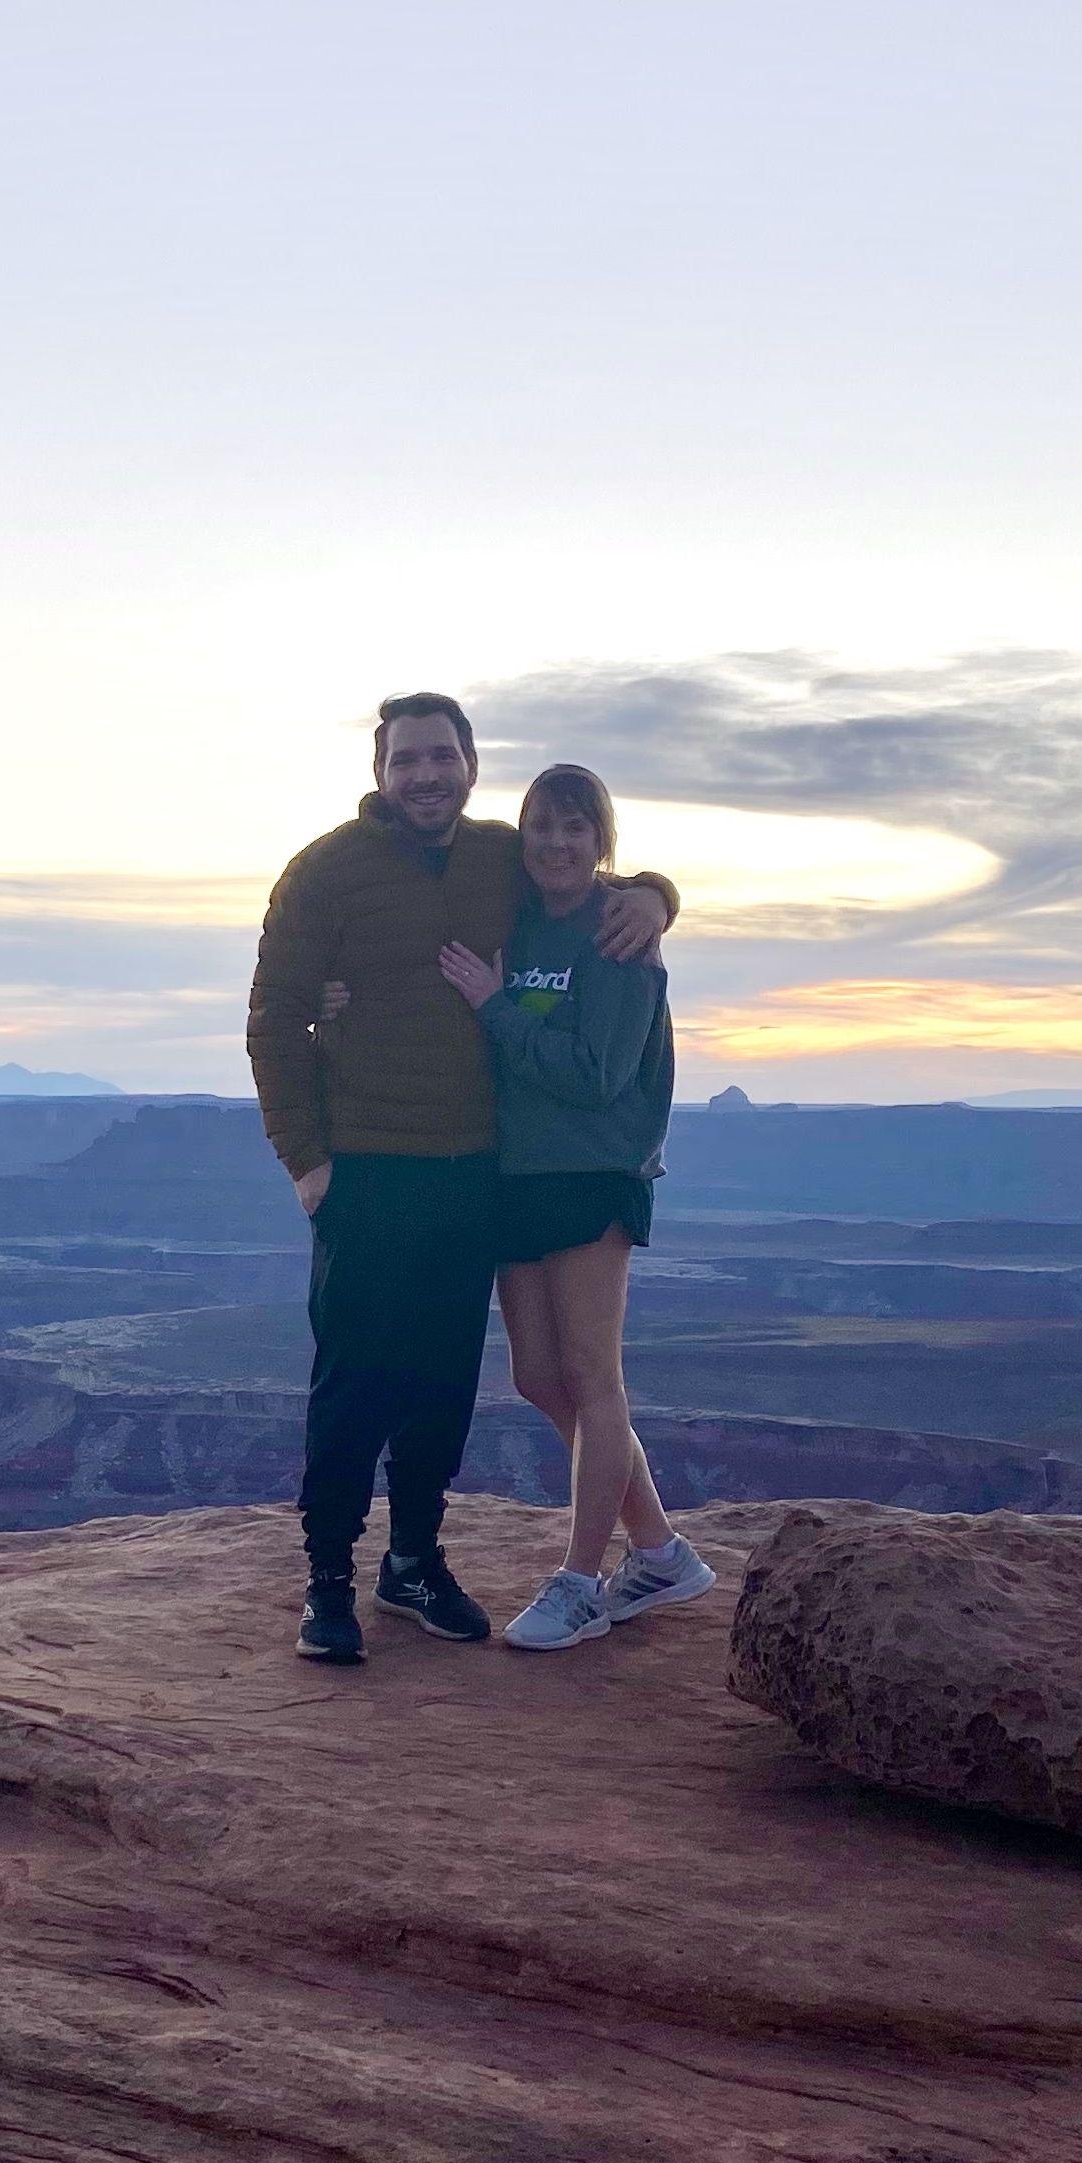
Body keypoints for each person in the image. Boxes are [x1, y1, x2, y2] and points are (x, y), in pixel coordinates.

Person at [245, 695, 674, 1665]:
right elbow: (274, 1016)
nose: (427, 776)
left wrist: (656, 894)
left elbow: (582, 877)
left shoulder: (495, 858)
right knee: (355, 1380)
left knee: (443, 1381)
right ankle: (327, 1582)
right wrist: (308, 1164)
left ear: (472, 766)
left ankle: (414, 1562)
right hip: (364, 1167)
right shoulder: (325, 871)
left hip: (472, 1170)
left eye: (443, 757)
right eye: (408, 761)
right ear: (381, 771)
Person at [442, 762, 716, 1650]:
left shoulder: (619, 935)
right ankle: (662, 1552)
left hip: (594, 1172)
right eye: (541, 828)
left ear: (602, 840)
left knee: (594, 1377)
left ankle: (580, 1582)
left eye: (576, 828)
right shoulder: (519, 924)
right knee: (537, 1377)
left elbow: (597, 1077)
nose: (557, 844)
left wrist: (497, 1009)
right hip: (518, 1172)